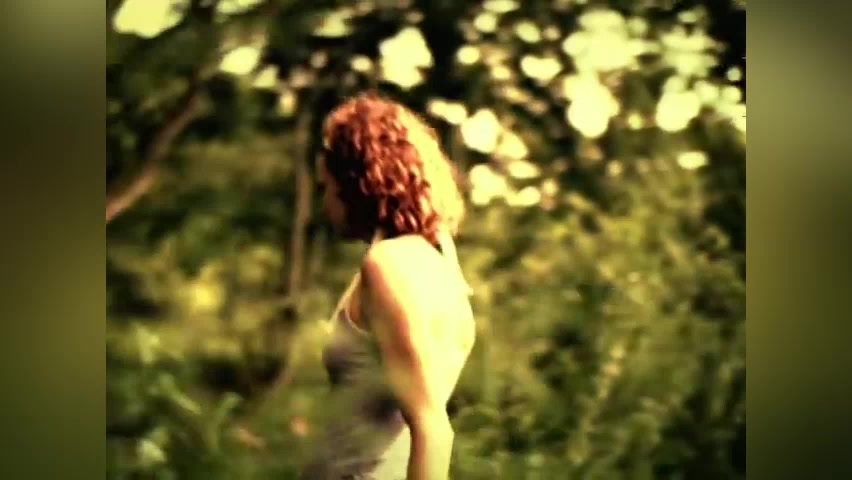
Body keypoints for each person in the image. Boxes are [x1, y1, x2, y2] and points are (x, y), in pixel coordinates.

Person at [299, 93, 476, 480]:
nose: (325, 202)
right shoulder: (442, 269)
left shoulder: (388, 265)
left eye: (326, 186)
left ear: (356, 181)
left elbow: (433, 428)